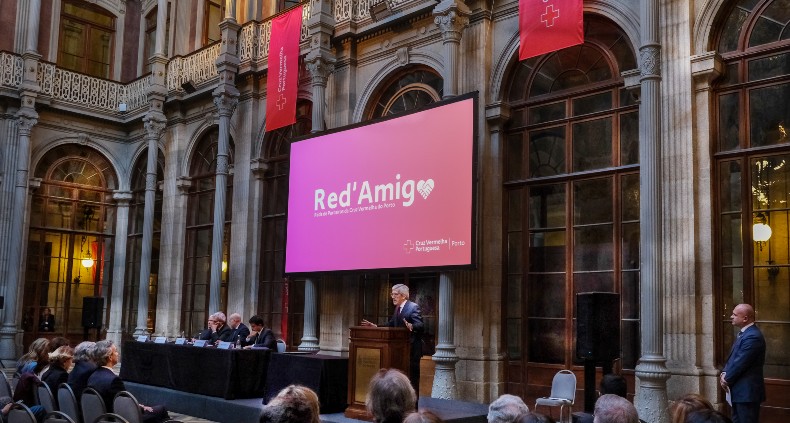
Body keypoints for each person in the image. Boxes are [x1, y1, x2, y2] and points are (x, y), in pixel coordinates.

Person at [361, 284, 425, 394]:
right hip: (398, 350)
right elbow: (391, 324)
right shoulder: (397, 308)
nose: (393, 297)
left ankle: (413, 402)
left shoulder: (413, 307)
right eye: (392, 294)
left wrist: (412, 326)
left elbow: (420, 325)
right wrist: (376, 326)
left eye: (395, 294)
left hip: (411, 349)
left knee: (411, 378)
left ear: (403, 296)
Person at [87, 340, 169, 423]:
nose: (118, 354)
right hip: (117, 419)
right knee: (161, 410)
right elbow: (124, 406)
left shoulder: (92, 376)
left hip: (100, 418)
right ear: (110, 357)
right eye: (115, 351)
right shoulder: (114, 380)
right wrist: (142, 408)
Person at [719, 303, 765, 423]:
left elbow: (741, 362)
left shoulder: (753, 336)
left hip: (747, 394)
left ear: (745, 318)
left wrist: (726, 378)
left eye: (734, 315)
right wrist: (724, 372)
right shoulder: (744, 333)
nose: (731, 316)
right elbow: (733, 358)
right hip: (739, 392)